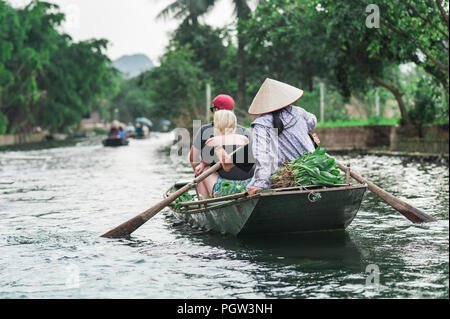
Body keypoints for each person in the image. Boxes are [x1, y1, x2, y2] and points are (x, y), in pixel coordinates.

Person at [246, 78, 320, 196]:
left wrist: (259, 185)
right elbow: (313, 121)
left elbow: (263, 157)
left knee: (249, 185)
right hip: (314, 173)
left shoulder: (261, 124)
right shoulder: (299, 113)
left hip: (283, 179)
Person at [195, 110, 254, 199]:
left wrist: (202, 164)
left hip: (225, 189)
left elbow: (203, 161)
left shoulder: (211, 142)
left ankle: (203, 201)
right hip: (248, 185)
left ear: (216, 125)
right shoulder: (244, 139)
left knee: (202, 170)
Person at [189, 94, 251, 175]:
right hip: (243, 176)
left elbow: (193, 159)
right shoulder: (244, 132)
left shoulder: (204, 130)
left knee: (201, 167)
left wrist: (200, 168)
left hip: (215, 177)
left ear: (216, 110)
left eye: (213, 109)